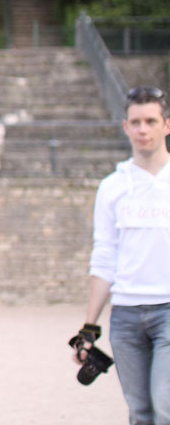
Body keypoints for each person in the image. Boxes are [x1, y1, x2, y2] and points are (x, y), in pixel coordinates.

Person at [74, 86, 170, 425]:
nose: (143, 129)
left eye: (151, 121)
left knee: (164, 406)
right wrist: (89, 326)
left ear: (167, 125)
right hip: (126, 316)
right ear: (126, 127)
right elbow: (104, 255)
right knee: (140, 412)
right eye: (136, 122)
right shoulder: (112, 187)